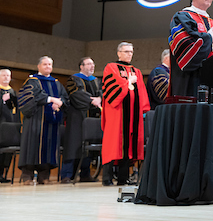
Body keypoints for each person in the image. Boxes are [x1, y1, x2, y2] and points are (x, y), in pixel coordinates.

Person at [101, 42, 150, 186]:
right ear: (119, 53)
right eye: (126, 51)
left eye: (131, 51)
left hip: (133, 115)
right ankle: (106, 178)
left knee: (129, 145)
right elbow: (110, 90)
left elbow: (141, 92)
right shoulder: (111, 67)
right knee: (113, 144)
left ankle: (123, 178)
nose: (129, 54)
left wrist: (143, 110)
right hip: (117, 113)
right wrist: (127, 82)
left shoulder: (137, 71)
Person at [17, 56, 68, 185]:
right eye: (45, 64)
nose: (48, 67)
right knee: (32, 146)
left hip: (51, 122)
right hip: (36, 120)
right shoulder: (32, 81)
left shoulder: (56, 83)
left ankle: (44, 176)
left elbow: (64, 97)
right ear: (39, 66)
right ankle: (27, 176)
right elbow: (30, 96)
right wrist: (51, 99)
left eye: (50, 64)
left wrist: (60, 103)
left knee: (49, 146)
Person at [169, 0, 213, 98]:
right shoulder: (182, 17)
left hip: (211, 80)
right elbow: (184, 44)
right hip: (189, 80)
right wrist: (208, 38)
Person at [61, 57, 103, 183]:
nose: (92, 66)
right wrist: (92, 101)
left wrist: (99, 99)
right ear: (81, 66)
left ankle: (85, 174)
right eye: (89, 64)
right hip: (77, 118)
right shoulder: (74, 79)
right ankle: (67, 175)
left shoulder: (96, 80)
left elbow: (101, 92)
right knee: (74, 145)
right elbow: (76, 94)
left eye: (93, 64)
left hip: (92, 117)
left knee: (89, 146)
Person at [0, 68, 19, 183]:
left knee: (7, 152)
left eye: (8, 75)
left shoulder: (12, 91)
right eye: (3, 75)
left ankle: (2, 174)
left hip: (10, 126)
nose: (6, 77)